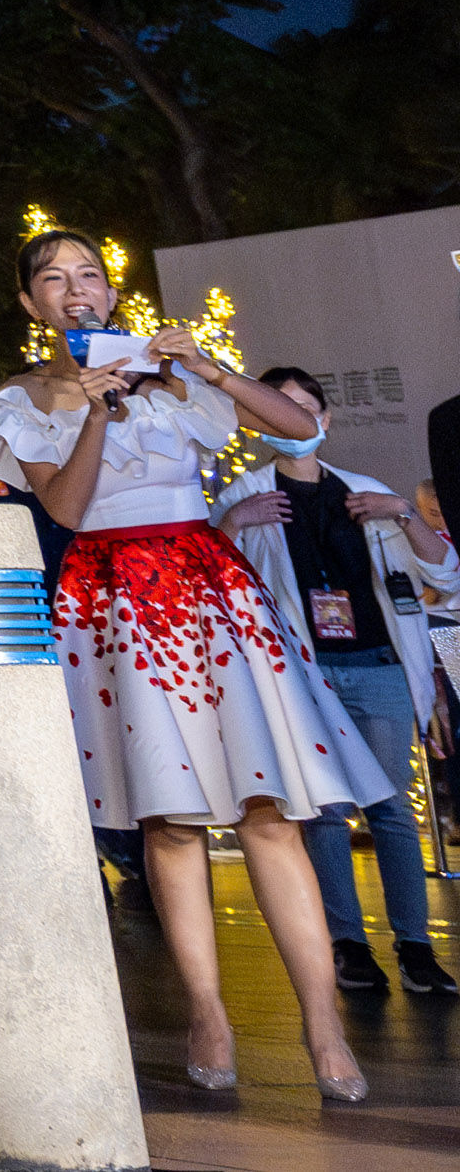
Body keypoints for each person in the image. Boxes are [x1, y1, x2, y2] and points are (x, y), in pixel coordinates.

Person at [0, 230, 380, 1104]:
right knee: (170, 816)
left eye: (89, 275)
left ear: (110, 291)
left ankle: (324, 1023)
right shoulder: (23, 398)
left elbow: (301, 429)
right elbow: (68, 510)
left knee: (270, 809)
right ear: (29, 303)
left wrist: (208, 364)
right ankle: (207, 1010)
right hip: (112, 592)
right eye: (53, 279)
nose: (75, 290)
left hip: (206, 583)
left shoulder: (175, 373)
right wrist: (91, 409)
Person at [223, 371, 456, 998]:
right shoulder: (245, 496)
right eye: (281, 410)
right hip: (302, 674)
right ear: (262, 423)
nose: (296, 421)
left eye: (307, 409)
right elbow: (210, 589)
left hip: (378, 663)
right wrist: (230, 526)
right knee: (326, 812)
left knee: (390, 809)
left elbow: (447, 574)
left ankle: (416, 947)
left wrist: (404, 512)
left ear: (325, 421)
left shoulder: (369, 493)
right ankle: (348, 945)